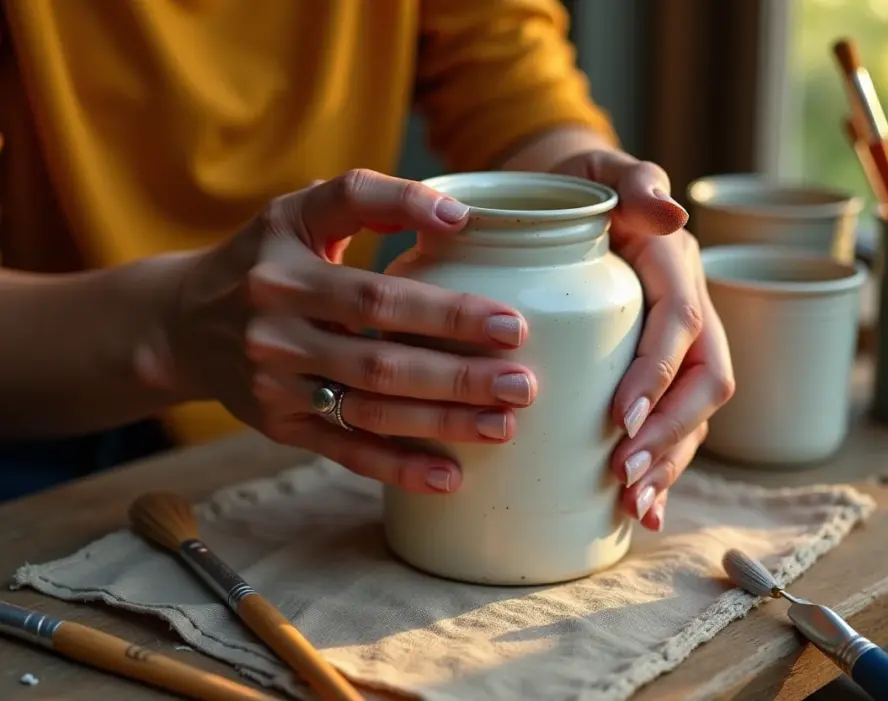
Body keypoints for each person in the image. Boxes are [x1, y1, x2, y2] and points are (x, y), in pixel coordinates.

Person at [0, 1, 734, 529]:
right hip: (54, 420)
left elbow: (506, 72)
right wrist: (169, 326)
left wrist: (594, 201)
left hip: (318, 429)